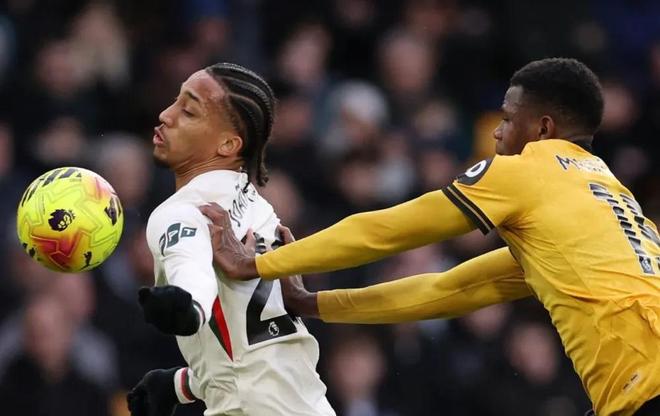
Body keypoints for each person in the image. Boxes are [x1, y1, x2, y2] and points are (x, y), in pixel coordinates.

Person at [201, 58, 660, 416]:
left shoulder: (529, 171)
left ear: (543, 128)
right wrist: (314, 304)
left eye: (507, 118)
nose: (497, 132)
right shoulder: (611, 201)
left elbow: (386, 230)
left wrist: (258, 263)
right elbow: (447, 290)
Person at [127, 62, 335, 416]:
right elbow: (257, 346)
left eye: (188, 111)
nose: (166, 114)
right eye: (176, 100)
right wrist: (182, 385)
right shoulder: (256, 204)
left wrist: (188, 305)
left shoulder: (181, 212)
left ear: (227, 144)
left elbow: (190, 266)